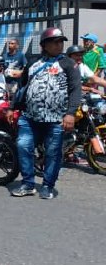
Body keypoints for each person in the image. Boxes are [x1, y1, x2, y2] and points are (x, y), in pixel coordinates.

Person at [11, 27, 81, 199]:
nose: (59, 45)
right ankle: (27, 183)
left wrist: (70, 113)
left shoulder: (68, 64)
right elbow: (22, 86)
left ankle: (48, 185)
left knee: (53, 153)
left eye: (61, 42)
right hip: (30, 117)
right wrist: (13, 108)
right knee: (23, 146)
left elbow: (75, 90)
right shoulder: (33, 63)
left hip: (56, 120)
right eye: (55, 42)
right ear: (45, 45)